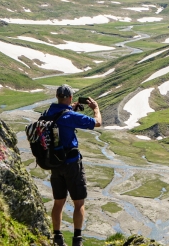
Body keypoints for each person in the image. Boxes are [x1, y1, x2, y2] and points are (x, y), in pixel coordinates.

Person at [46, 84, 102, 246]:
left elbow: (61, 119)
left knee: (59, 202)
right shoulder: (69, 116)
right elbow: (97, 123)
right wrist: (96, 108)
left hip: (55, 164)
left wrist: (71, 109)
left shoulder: (49, 112)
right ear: (70, 98)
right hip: (71, 164)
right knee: (79, 202)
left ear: (57, 97)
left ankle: (57, 238)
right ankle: (77, 240)